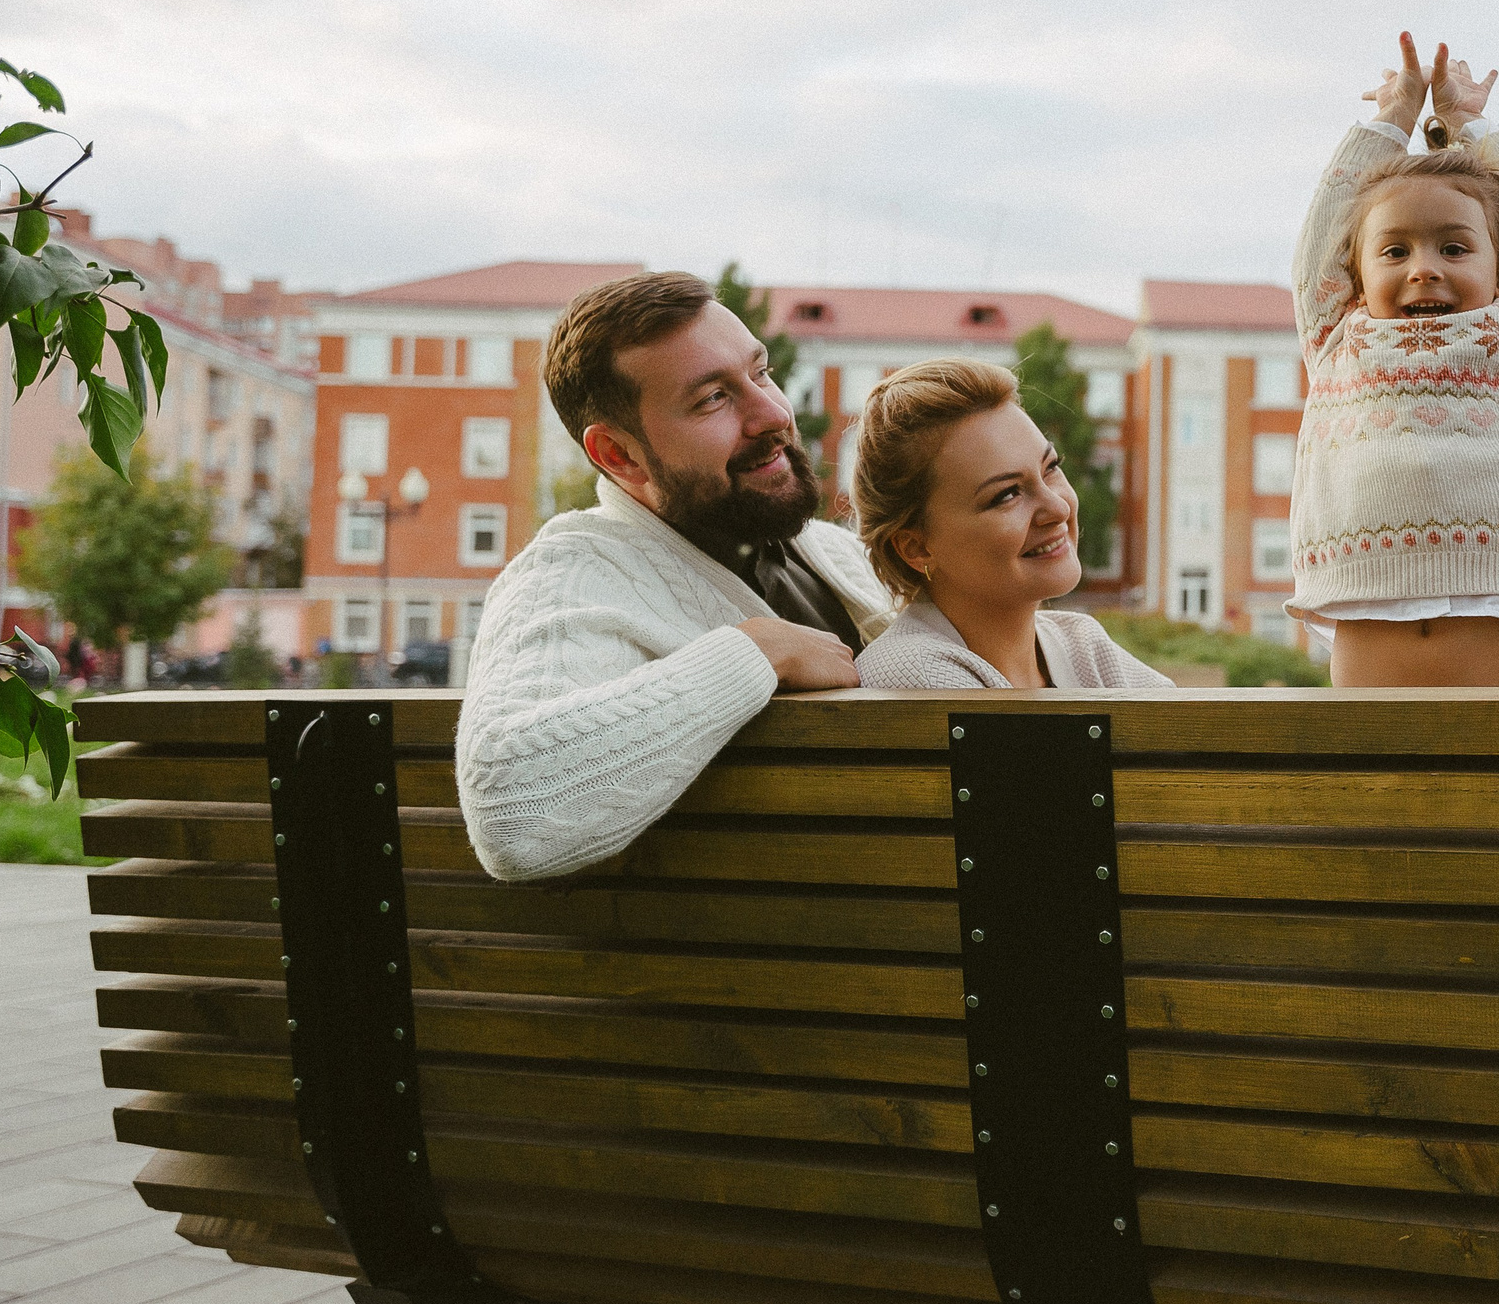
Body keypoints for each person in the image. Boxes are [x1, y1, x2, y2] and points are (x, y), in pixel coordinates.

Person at [455, 272, 887, 882]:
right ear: (619, 456)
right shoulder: (572, 575)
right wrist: (755, 652)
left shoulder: (828, 552)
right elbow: (513, 816)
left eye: (761, 374)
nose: (772, 414)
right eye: (711, 398)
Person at [1287, 33, 1499, 687]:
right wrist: (1389, 123)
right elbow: (1317, 241)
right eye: (1395, 251)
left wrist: (1472, 126)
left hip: (1498, 628)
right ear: (1356, 277)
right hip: (1370, 633)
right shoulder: (1342, 339)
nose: (1424, 269)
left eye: (1454, 248)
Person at [853, 357, 1171, 690]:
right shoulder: (910, 672)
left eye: (1050, 467)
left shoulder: (1083, 646)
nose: (1058, 506)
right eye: (1006, 495)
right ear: (916, 547)